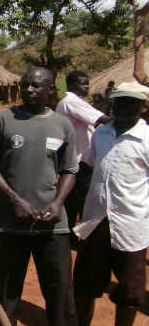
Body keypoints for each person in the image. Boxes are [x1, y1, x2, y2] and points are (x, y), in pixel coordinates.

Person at [0, 66, 79, 326]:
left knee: (60, 293)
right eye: (25, 85)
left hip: (52, 225)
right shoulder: (3, 119)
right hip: (11, 223)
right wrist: (13, 198)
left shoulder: (62, 124)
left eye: (35, 85)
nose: (28, 90)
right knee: (9, 293)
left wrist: (57, 203)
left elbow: (69, 169)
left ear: (51, 90)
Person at [73, 82, 149, 326]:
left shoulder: (146, 138)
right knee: (85, 285)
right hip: (95, 222)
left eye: (131, 103)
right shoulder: (101, 134)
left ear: (143, 107)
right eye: (120, 102)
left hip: (131, 226)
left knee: (129, 292)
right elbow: (94, 167)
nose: (124, 108)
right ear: (112, 104)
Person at [55, 71, 111, 245]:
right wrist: (130, 120)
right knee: (83, 203)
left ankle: (70, 237)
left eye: (87, 83)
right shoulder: (71, 102)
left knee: (73, 203)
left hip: (77, 161)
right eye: (83, 84)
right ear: (71, 85)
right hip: (78, 163)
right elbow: (102, 119)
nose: (87, 87)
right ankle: (80, 240)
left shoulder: (73, 102)